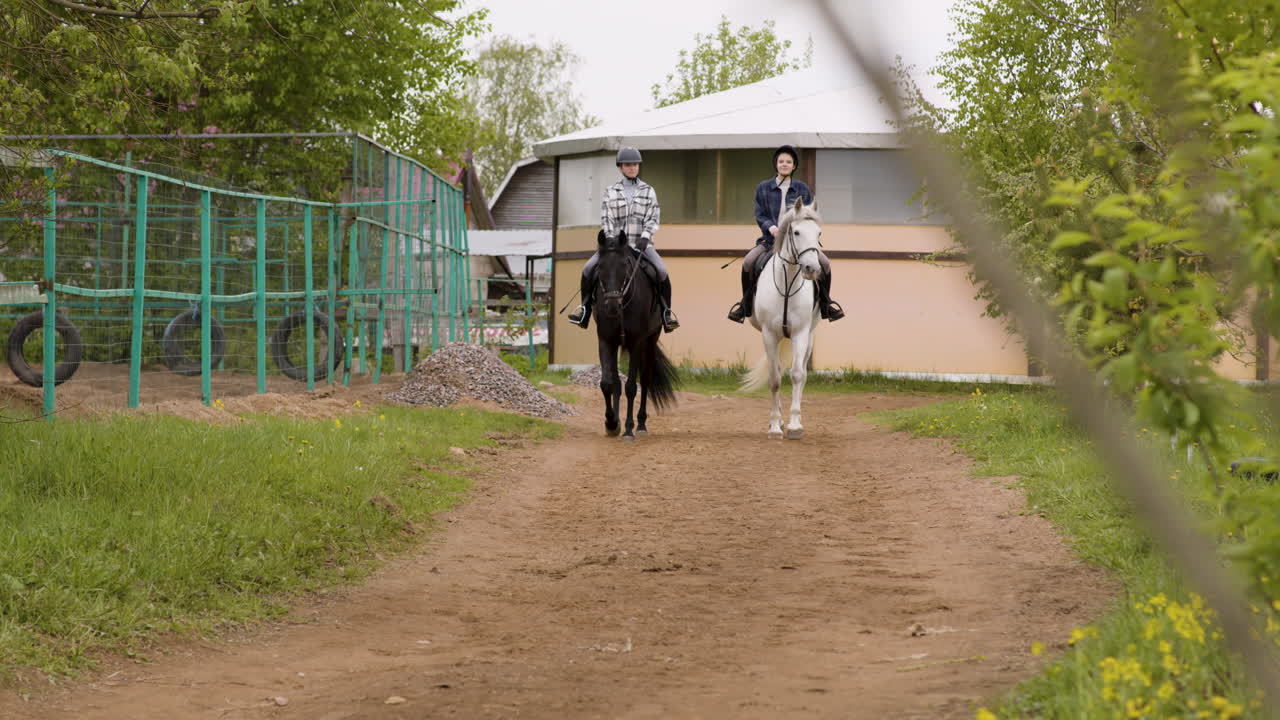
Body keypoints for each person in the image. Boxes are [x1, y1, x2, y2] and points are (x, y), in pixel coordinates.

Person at [727, 145, 844, 323]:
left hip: (798, 242)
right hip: (769, 240)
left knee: (825, 265)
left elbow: (808, 215)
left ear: (794, 166)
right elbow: (760, 214)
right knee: (748, 262)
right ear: (776, 164)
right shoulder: (763, 187)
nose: (784, 164)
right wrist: (770, 227)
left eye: (788, 162)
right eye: (781, 161)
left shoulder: (802, 189)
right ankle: (745, 305)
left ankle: (826, 304)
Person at [567, 147, 679, 333]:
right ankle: (585, 310)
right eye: (628, 165)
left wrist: (645, 236)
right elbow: (606, 217)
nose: (632, 168)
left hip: (641, 245)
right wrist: (611, 240)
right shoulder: (611, 191)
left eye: (635, 164)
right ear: (620, 167)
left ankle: (666, 313)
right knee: (588, 269)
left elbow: (653, 217)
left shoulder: (648, 191)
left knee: (661, 270)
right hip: (614, 248)